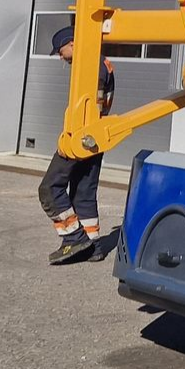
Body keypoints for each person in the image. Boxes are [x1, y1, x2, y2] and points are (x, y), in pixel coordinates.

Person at [39, 25, 115, 265]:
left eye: (61, 51)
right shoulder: (102, 63)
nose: (61, 57)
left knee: (50, 189)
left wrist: (75, 135)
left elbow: (91, 103)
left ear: (73, 43)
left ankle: (74, 238)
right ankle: (92, 247)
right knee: (83, 192)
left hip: (82, 136)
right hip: (96, 138)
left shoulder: (92, 66)